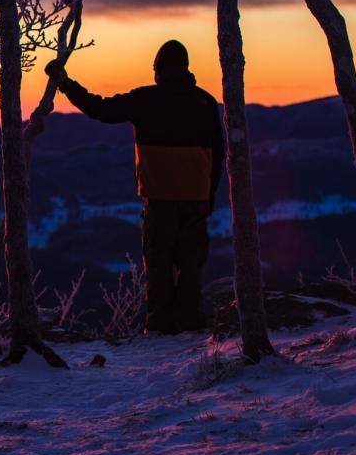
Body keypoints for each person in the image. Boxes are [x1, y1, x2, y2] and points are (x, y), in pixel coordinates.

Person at [45, 39, 224, 335]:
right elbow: (218, 153)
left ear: (157, 69)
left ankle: (160, 327)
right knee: (191, 265)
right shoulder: (204, 102)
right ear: (185, 68)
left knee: (158, 263)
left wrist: (64, 82)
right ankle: (190, 324)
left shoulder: (146, 99)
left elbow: (99, 109)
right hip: (196, 197)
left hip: (160, 197)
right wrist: (210, 194)